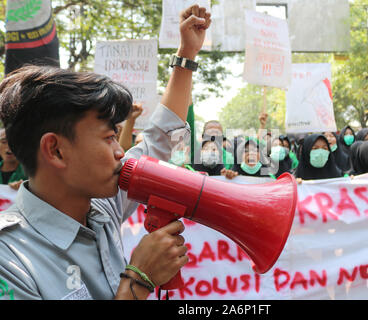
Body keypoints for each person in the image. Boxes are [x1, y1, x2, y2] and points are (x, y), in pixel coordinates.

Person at [0, 4, 211, 300]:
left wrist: (187, 55)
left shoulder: (103, 204)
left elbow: (159, 137)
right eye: (110, 137)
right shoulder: (9, 261)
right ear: (55, 150)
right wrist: (139, 279)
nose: (119, 152)